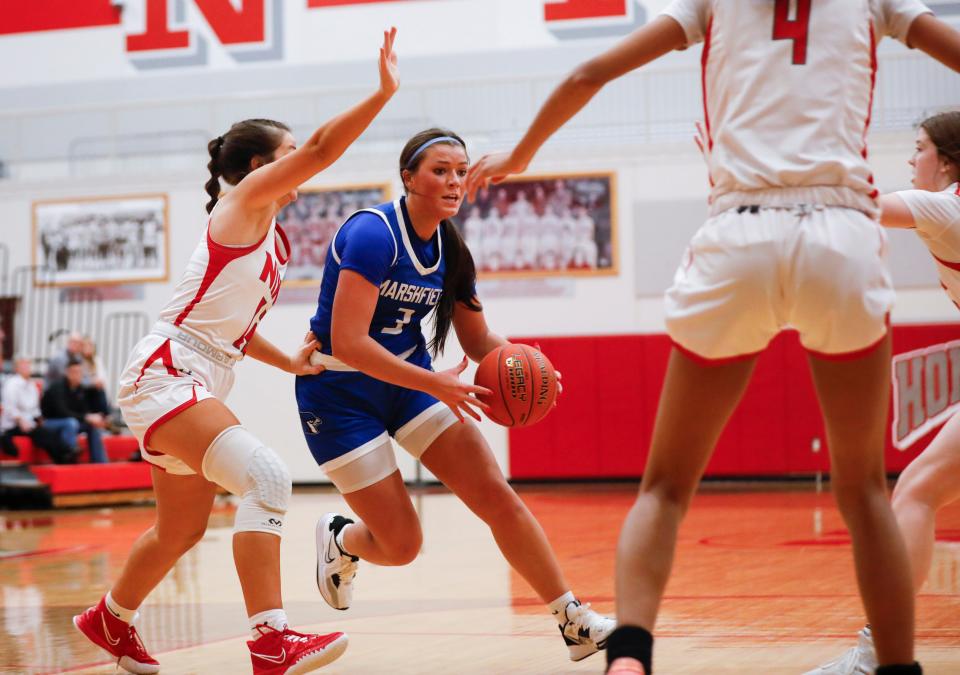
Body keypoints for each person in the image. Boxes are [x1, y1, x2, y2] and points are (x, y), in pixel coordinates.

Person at [465, 4, 960, 675]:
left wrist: (519, 153)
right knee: (868, 491)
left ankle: (630, 656)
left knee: (665, 488)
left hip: (739, 234)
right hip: (840, 233)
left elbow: (588, 73)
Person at [71, 28, 399, 675]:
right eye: (289, 153)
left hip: (193, 372)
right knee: (269, 477)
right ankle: (270, 638)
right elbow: (328, 147)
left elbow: (236, 333)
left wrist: (293, 362)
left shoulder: (270, 239)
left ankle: (111, 617)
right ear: (260, 167)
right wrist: (382, 92)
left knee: (180, 529)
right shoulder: (244, 202)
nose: (300, 161)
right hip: (168, 370)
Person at [295, 128, 615, 665]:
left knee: (498, 496)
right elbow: (350, 341)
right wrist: (436, 382)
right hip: (338, 395)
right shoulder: (373, 234)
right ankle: (343, 538)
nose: (454, 181)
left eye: (461, 171)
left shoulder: (451, 248)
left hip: (410, 386)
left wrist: (529, 364)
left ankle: (573, 619)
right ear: (408, 178)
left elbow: (478, 341)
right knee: (402, 546)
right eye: (440, 170)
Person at [805, 111, 960, 675]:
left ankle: (876, 655)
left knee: (915, 493)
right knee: (918, 490)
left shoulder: (944, 206)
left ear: (945, 160)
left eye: (918, 148)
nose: (911, 159)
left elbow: (858, 206)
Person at [0, 356, 77, 463]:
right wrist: (21, 421)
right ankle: (64, 455)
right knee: (43, 434)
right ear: (16, 368)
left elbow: (35, 409)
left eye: (28, 365)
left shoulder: (32, 385)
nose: (27, 368)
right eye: (23, 365)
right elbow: (10, 407)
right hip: (14, 425)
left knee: (48, 431)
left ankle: (67, 453)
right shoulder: (11, 384)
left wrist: (39, 419)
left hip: (30, 422)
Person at [40, 358, 108, 464]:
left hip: (70, 422)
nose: (77, 375)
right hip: (49, 422)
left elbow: (84, 410)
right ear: (67, 372)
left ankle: (100, 462)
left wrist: (93, 418)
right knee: (71, 423)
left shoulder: (80, 389)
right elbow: (62, 412)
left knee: (91, 425)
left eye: (80, 372)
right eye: (74, 372)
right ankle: (69, 459)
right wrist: (86, 417)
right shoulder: (57, 387)